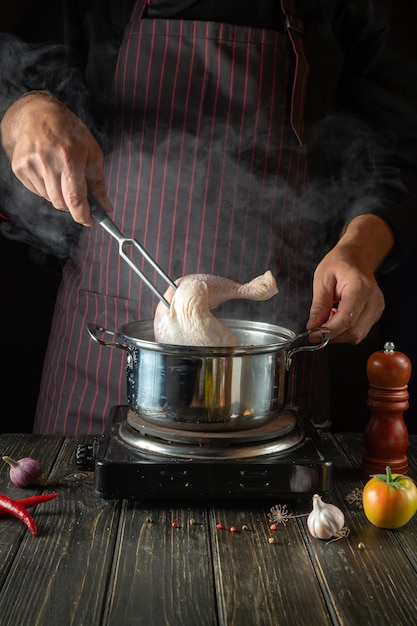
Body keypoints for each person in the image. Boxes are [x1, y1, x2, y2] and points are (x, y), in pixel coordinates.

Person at [0, 0, 416, 434]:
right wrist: (23, 113)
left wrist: (358, 249)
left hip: (271, 363)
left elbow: (399, 153)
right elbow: (11, 75)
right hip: (105, 355)